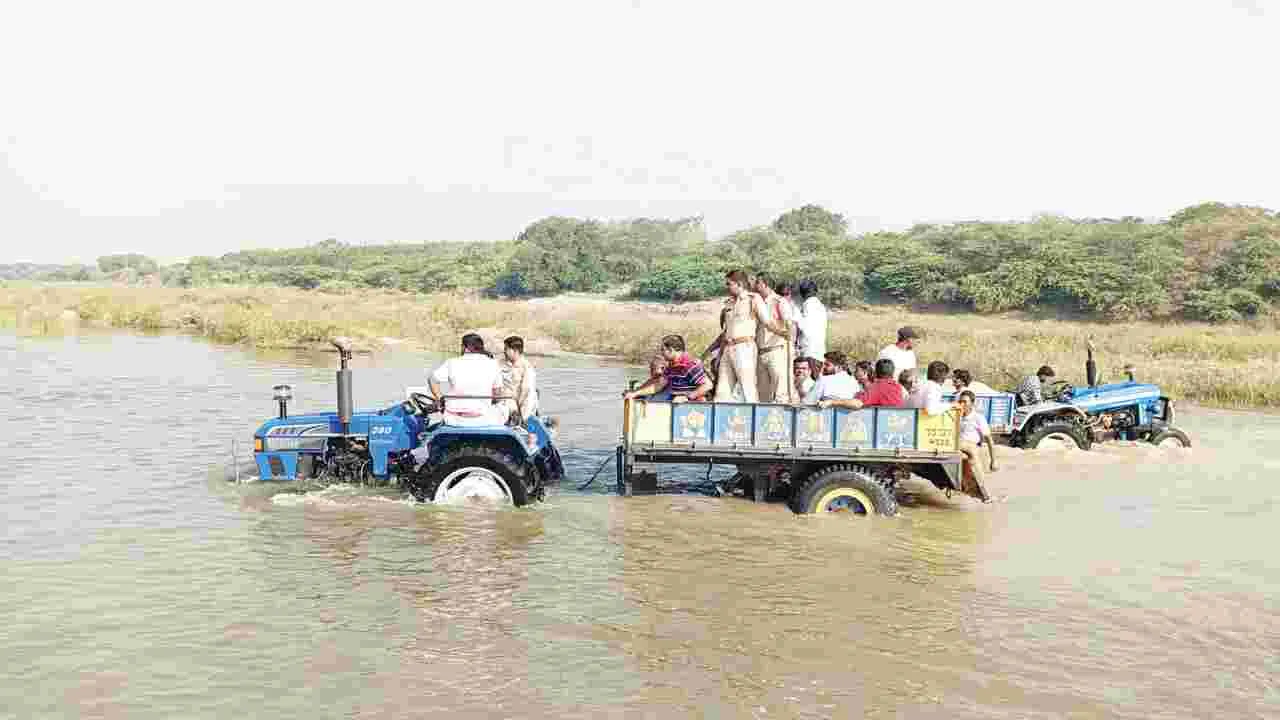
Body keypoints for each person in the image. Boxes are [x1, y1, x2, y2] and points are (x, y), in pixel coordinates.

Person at [711, 270, 787, 403]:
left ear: (739, 284)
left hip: (744, 347)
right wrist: (719, 354)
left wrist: (783, 333)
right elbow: (726, 332)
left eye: (729, 284)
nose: (727, 287)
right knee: (722, 391)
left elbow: (767, 322)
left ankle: (753, 418)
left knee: (747, 387)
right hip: (728, 348)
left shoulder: (753, 299)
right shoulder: (729, 303)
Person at [430, 333, 505, 427]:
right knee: (503, 408)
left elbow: (432, 379)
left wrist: (440, 398)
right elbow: (497, 395)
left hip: (454, 420)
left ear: (465, 347)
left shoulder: (452, 362)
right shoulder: (493, 364)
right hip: (483, 419)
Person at [624, 334, 713, 404]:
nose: (661, 353)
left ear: (671, 350)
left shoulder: (690, 365)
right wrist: (635, 393)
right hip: (675, 403)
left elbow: (708, 385)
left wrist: (687, 397)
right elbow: (657, 386)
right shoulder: (671, 366)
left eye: (663, 350)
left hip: (692, 406)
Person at [753, 273, 795, 403]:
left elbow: (789, 324)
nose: (755, 286)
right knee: (763, 393)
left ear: (765, 284)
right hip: (761, 352)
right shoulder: (755, 302)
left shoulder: (779, 301)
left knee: (780, 390)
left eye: (757, 283)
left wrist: (789, 339)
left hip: (776, 350)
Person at [957, 390, 996, 502]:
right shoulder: (956, 416)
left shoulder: (978, 418)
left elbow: (989, 440)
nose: (962, 404)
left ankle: (985, 495)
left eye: (965, 402)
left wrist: (993, 461)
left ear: (972, 403)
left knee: (976, 474)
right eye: (960, 401)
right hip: (959, 447)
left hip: (971, 447)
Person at [821, 358, 903, 409]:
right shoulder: (898, 387)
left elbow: (857, 403)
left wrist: (832, 402)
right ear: (892, 372)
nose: (854, 373)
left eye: (857, 371)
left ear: (875, 373)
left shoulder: (877, 387)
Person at [500, 336, 538, 423]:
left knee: (530, 397)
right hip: (507, 400)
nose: (504, 351)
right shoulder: (500, 364)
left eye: (506, 349)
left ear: (515, 351)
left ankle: (522, 422)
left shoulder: (526, 366)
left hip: (522, 400)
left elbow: (526, 389)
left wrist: (518, 406)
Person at [794, 279, 828, 361]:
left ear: (802, 293)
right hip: (819, 348)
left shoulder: (808, 306)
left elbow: (804, 327)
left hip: (808, 350)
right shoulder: (820, 305)